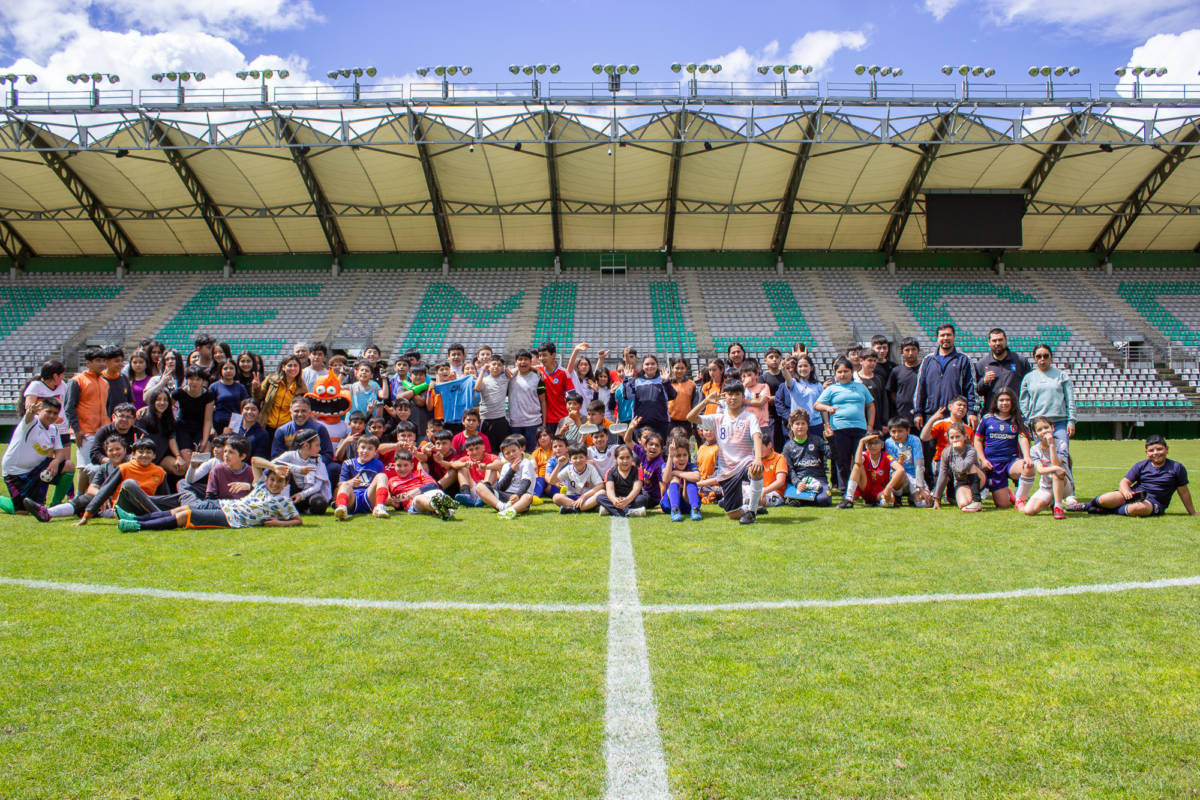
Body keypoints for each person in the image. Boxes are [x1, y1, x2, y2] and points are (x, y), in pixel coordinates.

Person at [115, 467, 302, 532]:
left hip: (233, 519)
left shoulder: (284, 501)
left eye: (279, 481)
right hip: (227, 506)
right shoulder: (261, 486)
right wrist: (273, 467)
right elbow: (256, 461)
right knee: (181, 509)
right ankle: (135, 518)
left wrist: (278, 523)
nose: (274, 484)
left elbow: (298, 520)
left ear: (286, 483)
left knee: (186, 515)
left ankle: (139, 526)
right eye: (272, 479)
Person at [686, 378, 765, 524]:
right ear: (724, 397)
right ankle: (749, 507)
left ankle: (752, 511)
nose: (733, 398)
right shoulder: (718, 418)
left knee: (756, 469)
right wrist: (706, 401)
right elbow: (690, 417)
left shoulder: (749, 417)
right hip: (727, 470)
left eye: (737, 394)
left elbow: (757, 436)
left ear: (743, 396)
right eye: (729, 394)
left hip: (745, 463)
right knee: (733, 515)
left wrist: (758, 459)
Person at [25, 435, 129, 522]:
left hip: (124, 503)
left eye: (118, 449)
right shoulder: (104, 467)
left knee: (91, 502)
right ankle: (47, 513)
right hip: (107, 502)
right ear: (106, 453)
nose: (115, 453)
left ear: (125, 450)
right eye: (111, 450)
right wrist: (102, 496)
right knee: (87, 498)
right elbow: (92, 488)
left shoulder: (131, 465)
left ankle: (92, 511)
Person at [1086, 435, 1195, 517]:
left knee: (1139, 508)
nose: (1156, 453)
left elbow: (1184, 492)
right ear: (1146, 452)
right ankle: (1086, 506)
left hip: (1154, 502)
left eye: (1159, 449)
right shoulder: (1141, 465)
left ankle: (1108, 510)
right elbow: (1124, 482)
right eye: (1151, 450)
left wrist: (1192, 512)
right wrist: (1126, 492)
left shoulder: (1177, 467)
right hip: (1134, 495)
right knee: (1105, 499)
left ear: (1166, 449)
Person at [813, 357, 875, 494]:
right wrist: (828, 408)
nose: (843, 374)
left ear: (851, 372)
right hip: (839, 429)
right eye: (839, 372)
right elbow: (817, 405)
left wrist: (870, 425)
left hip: (859, 429)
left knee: (860, 460)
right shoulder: (832, 388)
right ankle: (844, 491)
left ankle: (862, 489)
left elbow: (870, 405)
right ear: (835, 373)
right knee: (842, 461)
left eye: (846, 371)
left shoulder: (860, 387)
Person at [1, 398, 73, 516]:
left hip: (36, 470)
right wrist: (30, 412)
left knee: (69, 465)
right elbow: (28, 417)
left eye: (55, 413)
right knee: (21, 511)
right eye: (48, 411)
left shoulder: (53, 429)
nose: (52, 416)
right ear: (39, 411)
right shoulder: (32, 422)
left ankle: (55, 504)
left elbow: (60, 452)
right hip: (15, 472)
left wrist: (56, 461)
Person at [76, 437, 168, 524]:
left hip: (145, 506)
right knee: (130, 484)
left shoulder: (159, 472)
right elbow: (105, 491)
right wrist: (86, 516)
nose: (144, 455)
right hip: (124, 507)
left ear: (154, 456)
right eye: (140, 452)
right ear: (133, 455)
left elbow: (164, 497)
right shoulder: (123, 468)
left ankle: (161, 516)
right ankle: (160, 517)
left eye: (148, 452)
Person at [973, 387, 1034, 510]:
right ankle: (1008, 494)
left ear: (1012, 402)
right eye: (1001, 400)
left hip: (1012, 461)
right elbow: (977, 440)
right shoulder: (987, 418)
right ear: (996, 402)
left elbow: (1023, 437)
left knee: (1027, 467)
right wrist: (983, 460)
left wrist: (1027, 456)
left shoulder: (1018, 418)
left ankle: (1020, 499)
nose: (1004, 403)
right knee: (1003, 505)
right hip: (993, 464)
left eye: (1007, 400)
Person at [913, 324, 978, 433]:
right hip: (931, 415)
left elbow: (971, 388)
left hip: (956, 416)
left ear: (954, 337)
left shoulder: (963, 360)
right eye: (942, 335)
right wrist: (918, 412)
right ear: (937, 338)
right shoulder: (928, 360)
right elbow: (920, 388)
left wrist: (972, 412)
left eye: (948, 335)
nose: (945, 338)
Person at [63, 347, 109, 490]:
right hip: (85, 431)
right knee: (85, 466)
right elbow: (69, 407)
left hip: (103, 431)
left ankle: (93, 496)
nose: (102, 364)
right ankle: (80, 496)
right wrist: (77, 430)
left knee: (100, 467)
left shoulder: (105, 382)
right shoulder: (77, 381)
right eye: (98, 361)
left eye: (103, 361)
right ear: (88, 363)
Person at [270, 396, 338, 489]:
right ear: (290, 412)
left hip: (314, 466)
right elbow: (276, 457)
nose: (300, 414)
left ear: (309, 412)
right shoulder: (282, 431)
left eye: (303, 411)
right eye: (296, 411)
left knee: (334, 468)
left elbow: (328, 454)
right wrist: (297, 467)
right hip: (291, 467)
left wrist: (311, 465)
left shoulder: (319, 429)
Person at [259, 427, 331, 515]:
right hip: (289, 493)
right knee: (284, 471)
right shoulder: (289, 455)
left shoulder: (318, 460)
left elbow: (317, 486)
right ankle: (284, 505)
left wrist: (301, 495)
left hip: (307, 494)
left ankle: (305, 510)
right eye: (317, 445)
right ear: (306, 445)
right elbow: (273, 464)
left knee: (319, 503)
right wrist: (297, 469)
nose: (319, 448)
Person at [1018, 343, 1076, 451]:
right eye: (1038, 356)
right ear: (1034, 358)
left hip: (1059, 422)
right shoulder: (1028, 378)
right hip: (1039, 424)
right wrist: (1029, 418)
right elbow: (1023, 401)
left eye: (1045, 355)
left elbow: (1070, 399)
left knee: (1062, 453)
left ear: (1051, 357)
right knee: (1043, 455)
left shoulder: (1062, 375)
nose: (1042, 359)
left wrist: (1071, 420)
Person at [375, 449, 457, 520]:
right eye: (399, 466)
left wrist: (416, 491)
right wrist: (393, 503)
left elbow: (433, 485)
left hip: (428, 493)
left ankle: (444, 509)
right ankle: (439, 506)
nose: (402, 469)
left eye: (406, 465)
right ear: (394, 466)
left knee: (436, 492)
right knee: (419, 499)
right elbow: (391, 500)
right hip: (413, 503)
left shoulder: (419, 473)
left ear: (412, 466)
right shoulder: (391, 481)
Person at [919, 396, 974, 502]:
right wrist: (933, 419)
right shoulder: (943, 423)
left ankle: (952, 494)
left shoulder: (968, 429)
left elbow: (971, 449)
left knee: (954, 499)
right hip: (942, 460)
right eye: (959, 405)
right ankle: (935, 494)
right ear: (950, 407)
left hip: (960, 462)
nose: (962, 408)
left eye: (965, 406)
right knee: (946, 472)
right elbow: (924, 437)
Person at [474, 434, 538, 520]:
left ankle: (511, 510)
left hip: (520, 497)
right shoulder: (506, 466)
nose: (511, 454)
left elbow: (526, 482)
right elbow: (501, 488)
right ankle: (502, 507)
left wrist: (518, 495)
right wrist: (512, 471)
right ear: (504, 456)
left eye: (514, 451)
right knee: (479, 486)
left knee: (528, 497)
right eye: (507, 453)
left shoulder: (526, 462)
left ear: (520, 450)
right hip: (505, 498)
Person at [1023, 416, 1076, 519]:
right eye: (1040, 430)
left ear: (1052, 428)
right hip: (1046, 487)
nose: (1044, 431)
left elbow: (1056, 464)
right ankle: (1052, 501)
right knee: (1029, 511)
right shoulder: (1034, 449)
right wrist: (1055, 468)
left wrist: (1051, 445)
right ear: (1035, 434)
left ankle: (1058, 507)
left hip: (1064, 484)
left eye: (1046, 427)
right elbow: (1040, 470)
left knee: (1057, 473)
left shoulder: (1061, 444)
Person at [837, 431, 905, 509]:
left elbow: (900, 470)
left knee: (889, 500)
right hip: (865, 488)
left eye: (876, 443)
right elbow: (857, 462)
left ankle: (880, 502)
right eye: (869, 443)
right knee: (857, 466)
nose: (873, 446)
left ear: (882, 445)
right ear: (866, 445)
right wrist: (861, 442)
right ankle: (849, 498)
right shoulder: (864, 455)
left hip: (880, 490)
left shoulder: (886, 456)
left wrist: (888, 488)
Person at [975, 328, 1029, 419]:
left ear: (1006, 340)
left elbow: (1028, 386)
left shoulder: (1020, 361)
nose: (997, 343)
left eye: (1000, 340)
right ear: (989, 342)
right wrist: (984, 381)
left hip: (1015, 414)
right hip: (992, 414)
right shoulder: (982, 364)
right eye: (994, 341)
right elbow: (977, 391)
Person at [782, 409, 831, 507]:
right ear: (791, 426)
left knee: (824, 500)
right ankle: (800, 498)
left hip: (818, 480)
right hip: (800, 481)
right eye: (797, 424)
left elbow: (832, 455)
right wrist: (797, 483)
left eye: (803, 423)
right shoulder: (788, 447)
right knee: (794, 497)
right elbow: (790, 470)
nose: (800, 427)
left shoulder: (817, 440)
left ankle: (802, 500)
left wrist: (830, 440)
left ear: (808, 425)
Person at [932, 423, 985, 512]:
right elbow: (942, 474)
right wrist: (936, 498)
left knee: (971, 467)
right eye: (952, 437)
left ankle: (977, 501)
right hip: (961, 482)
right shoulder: (946, 452)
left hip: (978, 479)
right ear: (948, 439)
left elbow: (962, 468)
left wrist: (957, 451)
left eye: (958, 437)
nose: (955, 440)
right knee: (963, 504)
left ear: (964, 437)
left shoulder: (971, 450)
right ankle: (970, 500)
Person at [333, 435, 387, 520]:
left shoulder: (378, 464)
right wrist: (350, 482)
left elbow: (381, 483)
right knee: (345, 485)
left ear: (375, 452)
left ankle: (379, 507)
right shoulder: (348, 463)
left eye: (370, 449)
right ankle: (342, 508)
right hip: (353, 498)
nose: (365, 451)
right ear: (357, 448)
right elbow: (340, 484)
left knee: (382, 476)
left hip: (368, 496)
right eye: (363, 447)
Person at [139, 387, 186, 480]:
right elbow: (139, 440)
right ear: (153, 402)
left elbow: (172, 439)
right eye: (158, 400)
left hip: (161, 458)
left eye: (165, 400)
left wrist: (178, 457)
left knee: (180, 468)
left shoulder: (169, 420)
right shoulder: (144, 418)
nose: (162, 403)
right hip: (145, 456)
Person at [883, 417, 930, 508]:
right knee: (900, 473)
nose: (896, 435)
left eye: (900, 431)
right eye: (893, 432)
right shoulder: (888, 442)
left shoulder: (914, 440)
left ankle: (914, 496)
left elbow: (919, 465)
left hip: (915, 478)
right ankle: (897, 496)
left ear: (908, 430)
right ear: (889, 432)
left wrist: (921, 487)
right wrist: (900, 462)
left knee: (925, 503)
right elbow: (892, 466)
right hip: (898, 479)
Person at [173, 365, 215, 463]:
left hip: (200, 428)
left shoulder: (208, 395)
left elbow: (208, 420)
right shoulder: (178, 393)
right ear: (186, 379)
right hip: (183, 427)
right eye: (191, 379)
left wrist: (204, 441)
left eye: (198, 379)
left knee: (203, 455)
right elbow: (165, 405)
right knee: (187, 458)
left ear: (202, 381)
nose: (194, 382)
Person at [257, 355, 306, 437]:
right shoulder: (272, 380)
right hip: (267, 425)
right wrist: (256, 388)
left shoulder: (301, 387)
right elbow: (259, 396)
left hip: (287, 428)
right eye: (290, 365)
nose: (293, 368)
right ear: (283, 367)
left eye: (295, 366)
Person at [549, 443, 605, 514]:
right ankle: (586, 508)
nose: (578, 460)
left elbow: (600, 485)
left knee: (602, 492)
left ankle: (573, 508)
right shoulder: (568, 469)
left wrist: (584, 496)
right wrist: (559, 465)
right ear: (570, 460)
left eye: (581, 457)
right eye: (575, 458)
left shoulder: (590, 468)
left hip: (587, 497)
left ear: (586, 458)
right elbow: (552, 481)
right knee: (556, 497)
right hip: (572, 498)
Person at [508, 349, 547, 451]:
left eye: (526, 359)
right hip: (515, 423)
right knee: (517, 452)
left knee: (533, 452)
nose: (523, 362)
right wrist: (534, 368)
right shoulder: (510, 377)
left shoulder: (537, 377)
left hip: (534, 423)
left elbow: (543, 401)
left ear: (530, 361)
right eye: (520, 359)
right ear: (515, 362)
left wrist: (544, 423)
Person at [598, 444, 648, 518]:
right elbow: (610, 490)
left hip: (632, 498)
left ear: (632, 458)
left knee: (642, 499)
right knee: (600, 498)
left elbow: (636, 489)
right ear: (615, 459)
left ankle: (610, 510)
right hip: (617, 499)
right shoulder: (610, 472)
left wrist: (627, 500)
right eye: (621, 458)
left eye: (628, 457)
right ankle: (629, 512)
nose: (625, 461)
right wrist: (614, 500)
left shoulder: (638, 470)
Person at [23, 360, 69, 440]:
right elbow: (29, 407)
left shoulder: (63, 386)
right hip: (41, 429)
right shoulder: (36, 386)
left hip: (61, 430)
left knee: (64, 448)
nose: (63, 377)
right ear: (55, 376)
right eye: (62, 374)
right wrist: (50, 416)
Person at [660, 437, 703, 521]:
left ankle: (695, 509)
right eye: (678, 456)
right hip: (669, 505)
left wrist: (676, 472)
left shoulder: (691, 466)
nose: (682, 458)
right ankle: (675, 510)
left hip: (687, 505)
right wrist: (670, 457)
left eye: (685, 455)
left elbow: (697, 477)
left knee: (690, 479)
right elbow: (665, 480)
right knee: (674, 479)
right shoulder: (667, 465)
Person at [475, 354, 512, 447]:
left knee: (503, 447)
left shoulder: (505, 377)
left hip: (500, 418)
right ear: (489, 365)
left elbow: (521, 368)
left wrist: (536, 369)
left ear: (502, 367)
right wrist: (483, 371)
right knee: (487, 447)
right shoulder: (483, 379)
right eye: (494, 364)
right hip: (486, 419)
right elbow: (477, 388)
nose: (496, 367)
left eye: (499, 365)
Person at [210, 359, 250, 435]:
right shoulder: (214, 387)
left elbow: (244, 407)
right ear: (220, 370)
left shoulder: (241, 388)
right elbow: (209, 409)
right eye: (225, 368)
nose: (228, 371)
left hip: (235, 423)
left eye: (231, 368)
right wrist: (211, 427)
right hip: (218, 424)